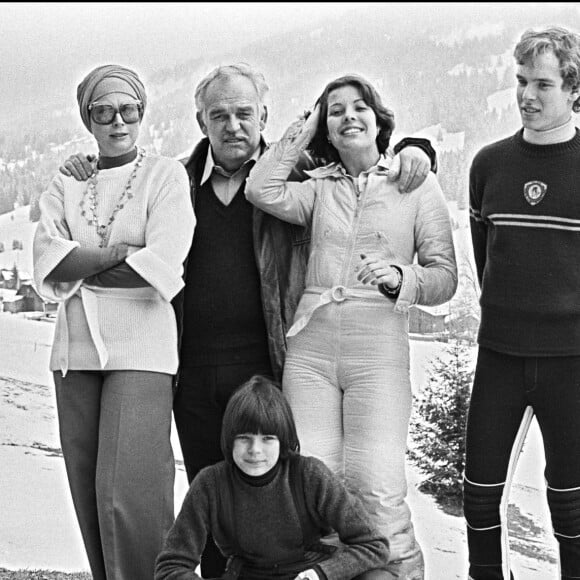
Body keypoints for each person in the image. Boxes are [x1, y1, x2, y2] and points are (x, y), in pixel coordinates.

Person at [60, 62, 436, 578]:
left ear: (263, 115)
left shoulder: (297, 178)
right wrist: (89, 168)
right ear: (201, 121)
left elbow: (358, 161)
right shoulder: (175, 181)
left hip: (270, 370)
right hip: (190, 372)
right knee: (207, 500)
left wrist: (417, 147)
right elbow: (119, 185)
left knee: (280, 507)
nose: (233, 126)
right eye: (219, 115)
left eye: (244, 113)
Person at [245, 74, 457, 580]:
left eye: (359, 106)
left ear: (378, 118)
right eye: (335, 111)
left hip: (377, 350)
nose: (348, 116)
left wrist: (400, 277)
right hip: (311, 353)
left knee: (377, 484)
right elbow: (260, 187)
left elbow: (445, 276)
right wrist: (308, 123)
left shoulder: (414, 183)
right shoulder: (317, 190)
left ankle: (400, 573)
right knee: (316, 480)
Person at [32, 64, 195, 580]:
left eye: (127, 110)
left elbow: (161, 268)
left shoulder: (165, 175)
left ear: (142, 113)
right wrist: (122, 252)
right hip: (75, 349)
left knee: (127, 491)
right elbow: (47, 263)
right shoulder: (70, 180)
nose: (116, 121)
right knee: (85, 485)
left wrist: (83, 265)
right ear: (88, 119)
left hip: (143, 348)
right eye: (103, 112)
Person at [464, 25, 580, 580]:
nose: (528, 96)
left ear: (574, 91)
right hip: (500, 356)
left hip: (572, 361)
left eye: (544, 84)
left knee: (573, 509)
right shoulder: (489, 165)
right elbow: (485, 253)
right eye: (521, 82)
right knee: (479, 500)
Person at [154, 374, 391, 580]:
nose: (255, 450)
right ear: (229, 439)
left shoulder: (310, 475)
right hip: (248, 575)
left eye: (267, 438)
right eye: (244, 438)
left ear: (283, 440)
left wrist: (323, 573)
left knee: (380, 578)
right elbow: (171, 566)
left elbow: (373, 545)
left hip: (308, 572)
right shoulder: (210, 484)